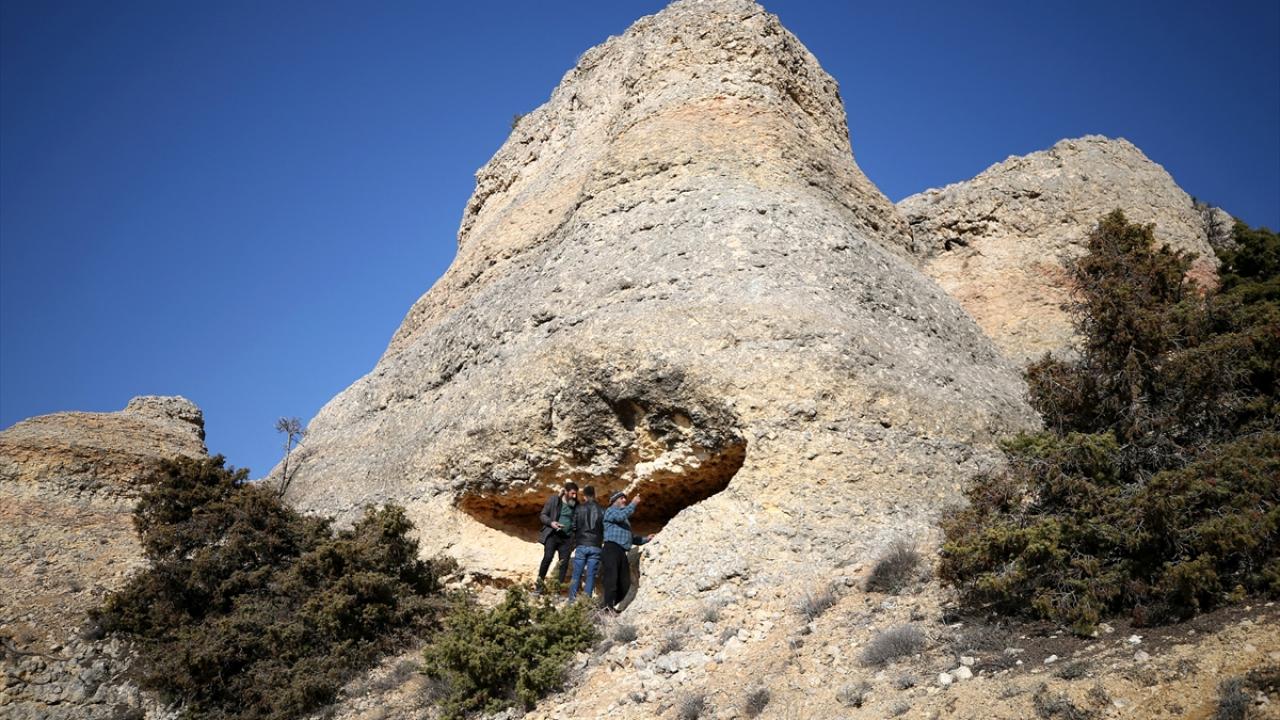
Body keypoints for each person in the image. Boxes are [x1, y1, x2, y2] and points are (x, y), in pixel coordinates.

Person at [601, 490, 650, 612]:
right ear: (614, 501)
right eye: (621, 498)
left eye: (625, 499)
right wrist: (633, 504)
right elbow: (620, 516)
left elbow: (631, 538)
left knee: (625, 583)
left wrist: (646, 539)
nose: (624, 500)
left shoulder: (624, 520)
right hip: (611, 549)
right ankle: (608, 609)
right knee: (611, 580)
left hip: (621, 551)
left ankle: (606, 607)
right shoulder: (610, 512)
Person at [536, 481, 577, 593]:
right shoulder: (554, 500)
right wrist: (551, 523)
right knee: (547, 558)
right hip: (553, 535)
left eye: (575, 494)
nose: (574, 496)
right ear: (566, 492)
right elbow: (543, 515)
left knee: (563, 564)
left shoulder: (575, 504)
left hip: (567, 539)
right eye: (572, 493)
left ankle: (557, 591)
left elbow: (577, 521)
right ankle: (539, 586)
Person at [567, 485, 604, 603]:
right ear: (594, 495)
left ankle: (571, 601)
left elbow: (573, 526)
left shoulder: (579, 509)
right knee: (591, 576)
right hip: (596, 545)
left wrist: (573, 543)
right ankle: (586, 603)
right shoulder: (602, 510)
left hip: (582, 544)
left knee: (576, 574)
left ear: (584, 496)